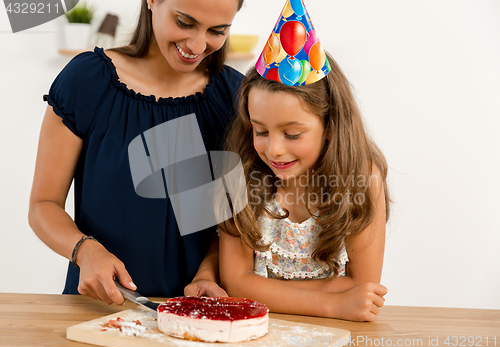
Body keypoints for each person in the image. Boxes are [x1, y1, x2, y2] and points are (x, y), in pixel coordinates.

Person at [28, 0, 245, 305]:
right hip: (98, 309)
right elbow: (43, 205)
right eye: (184, 22)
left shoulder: (234, 97)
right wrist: (84, 249)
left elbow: (232, 222)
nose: (197, 45)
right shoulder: (87, 82)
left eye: (218, 31)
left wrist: (208, 274)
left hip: (196, 317)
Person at [218, 52, 390, 322]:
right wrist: (333, 304)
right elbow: (236, 283)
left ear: (330, 126)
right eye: (260, 131)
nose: (274, 150)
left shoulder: (363, 179)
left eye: (292, 134)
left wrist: (261, 287)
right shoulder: (242, 173)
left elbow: (363, 287)